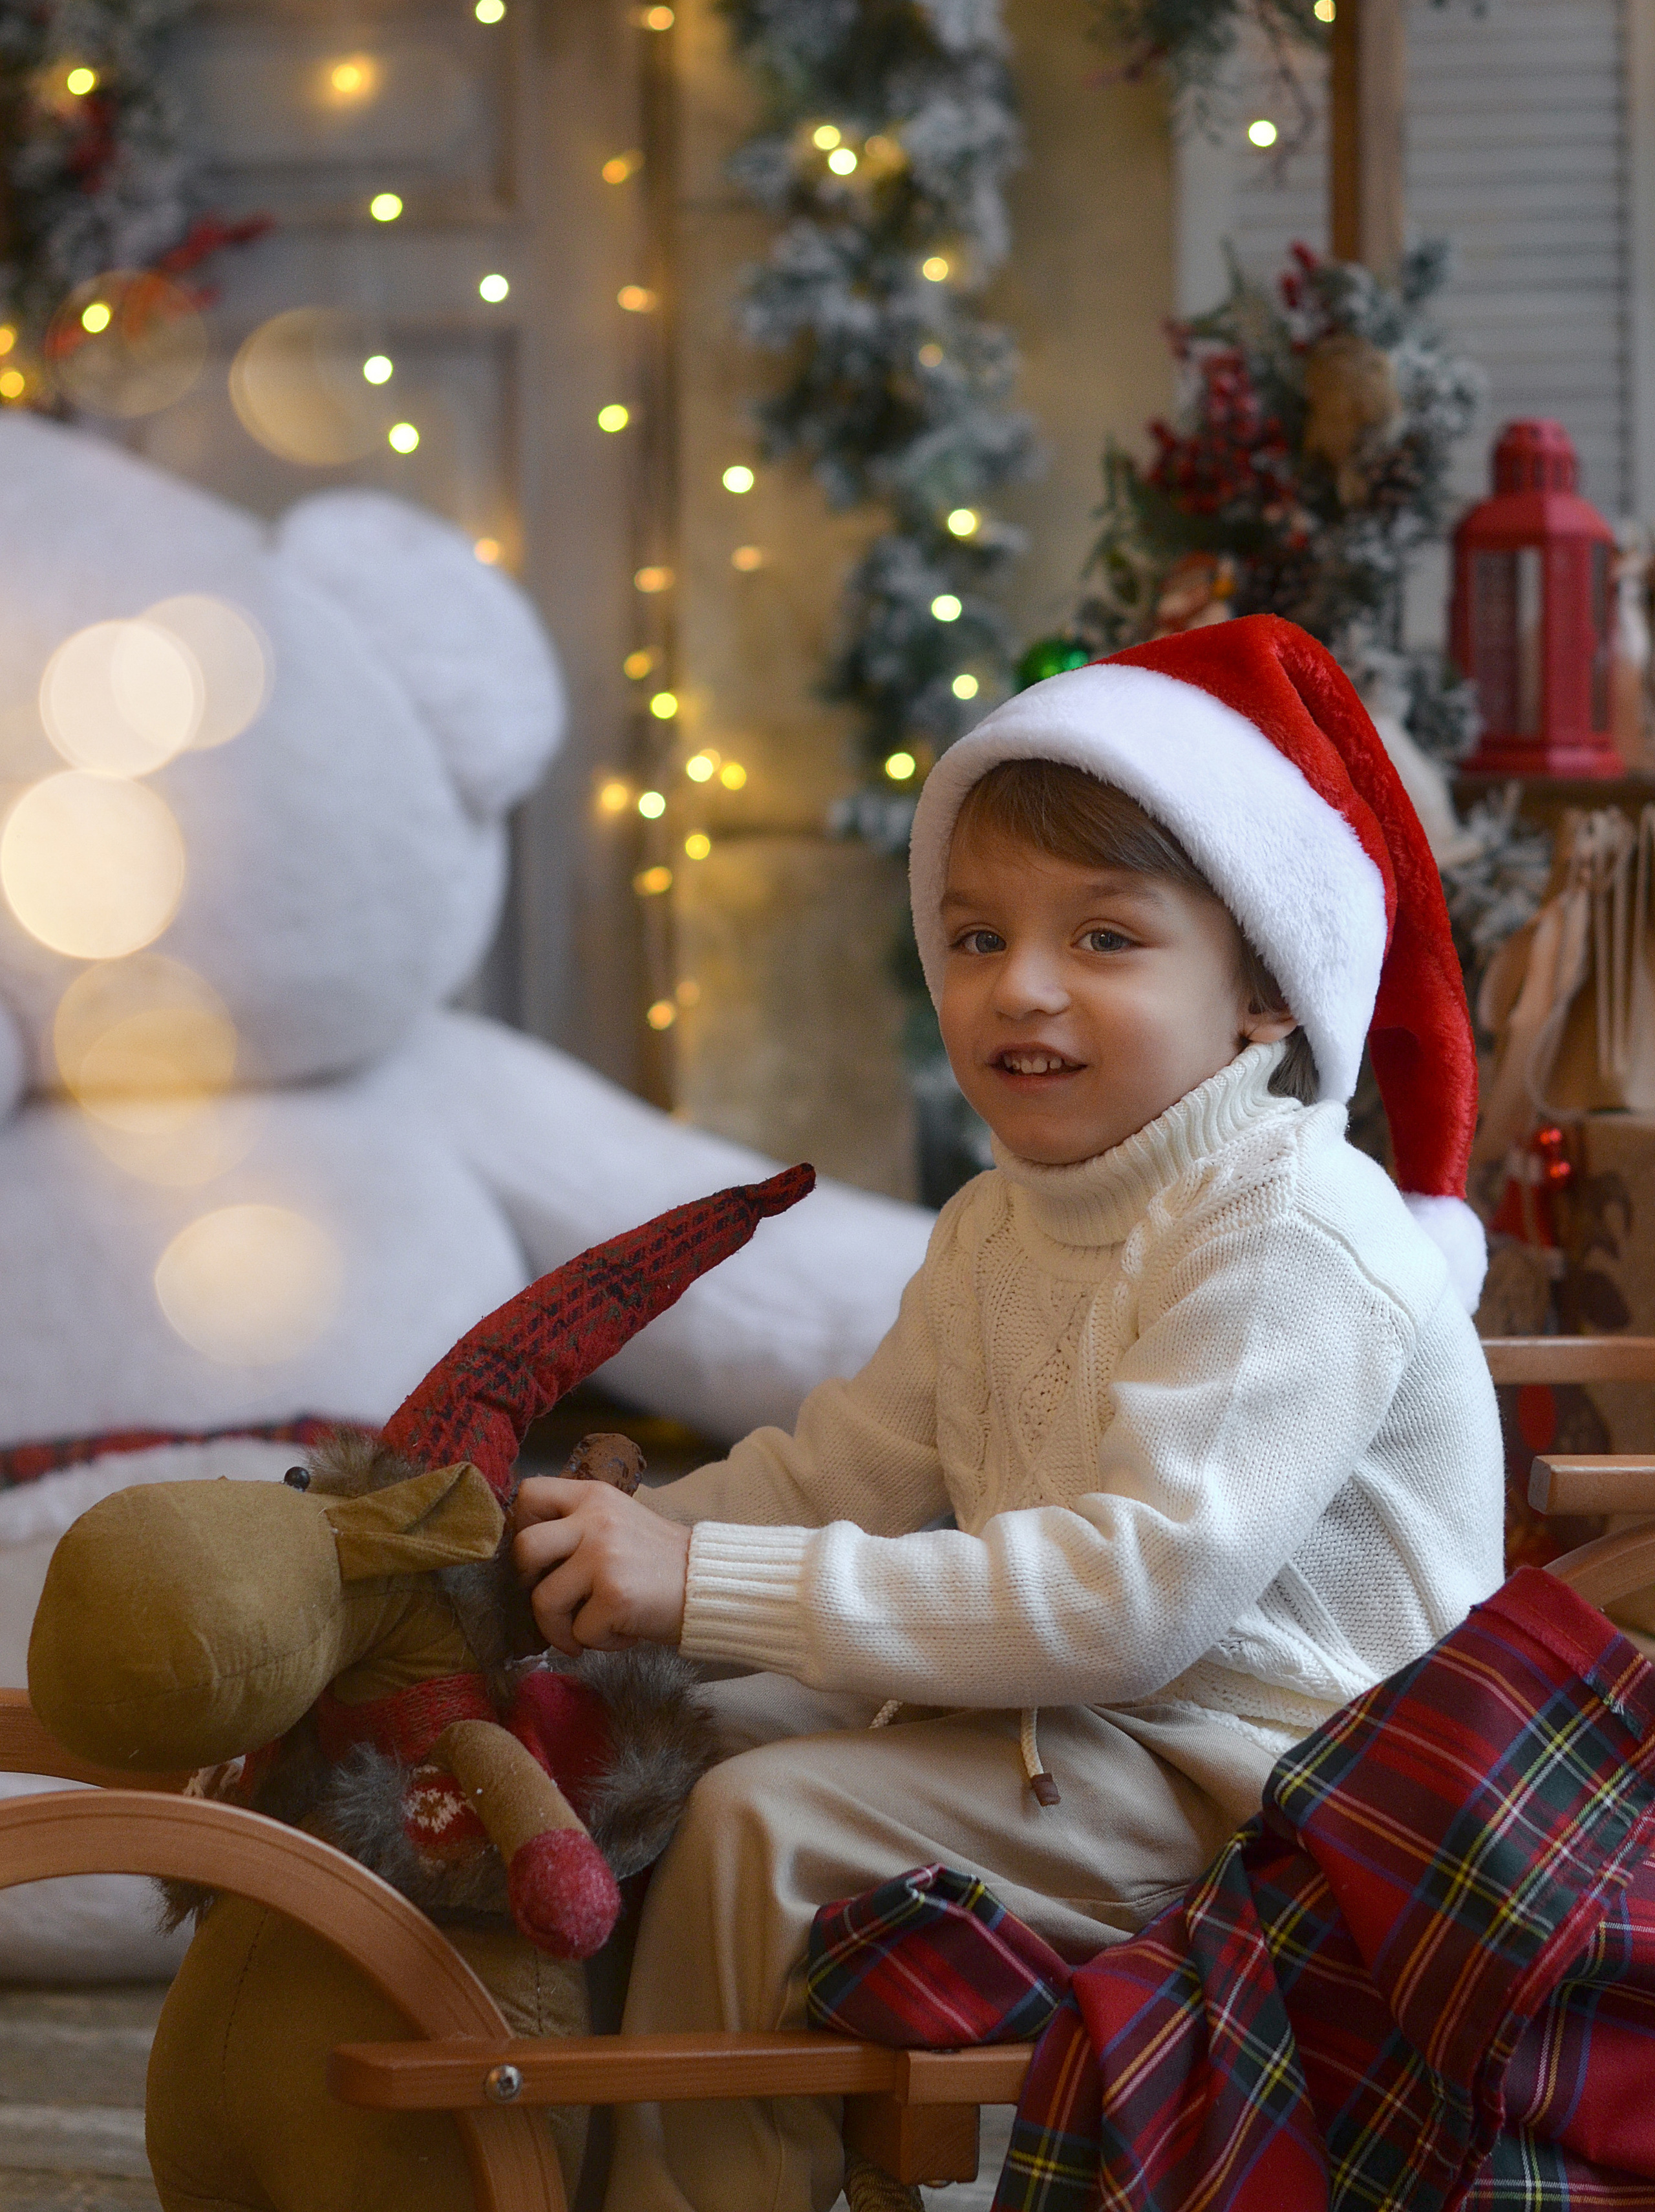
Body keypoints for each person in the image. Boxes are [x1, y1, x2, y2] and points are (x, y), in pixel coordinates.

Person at [511, 615, 1505, 2212]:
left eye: (1103, 938)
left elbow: (1129, 1601)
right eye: (974, 937)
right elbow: (837, 1475)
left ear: (1259, 986)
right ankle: (587, 2147)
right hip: (1090, 1732)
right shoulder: (1002, 1220)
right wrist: (581, 1562)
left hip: (1281, 1784)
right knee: (673, 1736)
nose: (1020, 986)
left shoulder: (1283, 1228)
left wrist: (692, 1587)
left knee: (769, 1822)